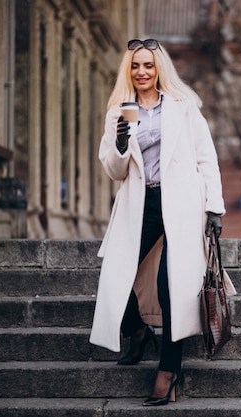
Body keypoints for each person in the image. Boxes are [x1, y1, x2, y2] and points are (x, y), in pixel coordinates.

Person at [89, 38, 226, 407]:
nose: (142, 72)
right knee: (118, 275)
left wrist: (214, 209)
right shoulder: (118, 111)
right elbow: (114, 170)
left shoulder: (183, 107)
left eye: (148, 65)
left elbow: (205, 158)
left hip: (182, 203)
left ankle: (168, 369)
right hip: (141, 201)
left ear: (158, 68)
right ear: (128, 71)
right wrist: (120, 142)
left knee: (172, 288)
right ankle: (135, 330)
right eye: (135, 66)